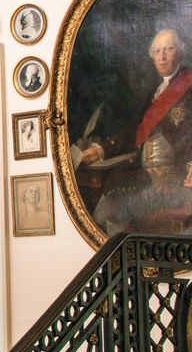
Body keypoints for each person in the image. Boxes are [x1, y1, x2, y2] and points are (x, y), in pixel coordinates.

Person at [77, 26, 192, 232]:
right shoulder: (155, 92)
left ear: (180, 52)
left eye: (169, 49)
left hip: (176, 172)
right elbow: (137, 130)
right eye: (157, 52)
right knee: (112, 192)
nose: (163, 57)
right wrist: (103, 149)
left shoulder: (189, 86)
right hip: (147, 169)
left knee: (121, 198)